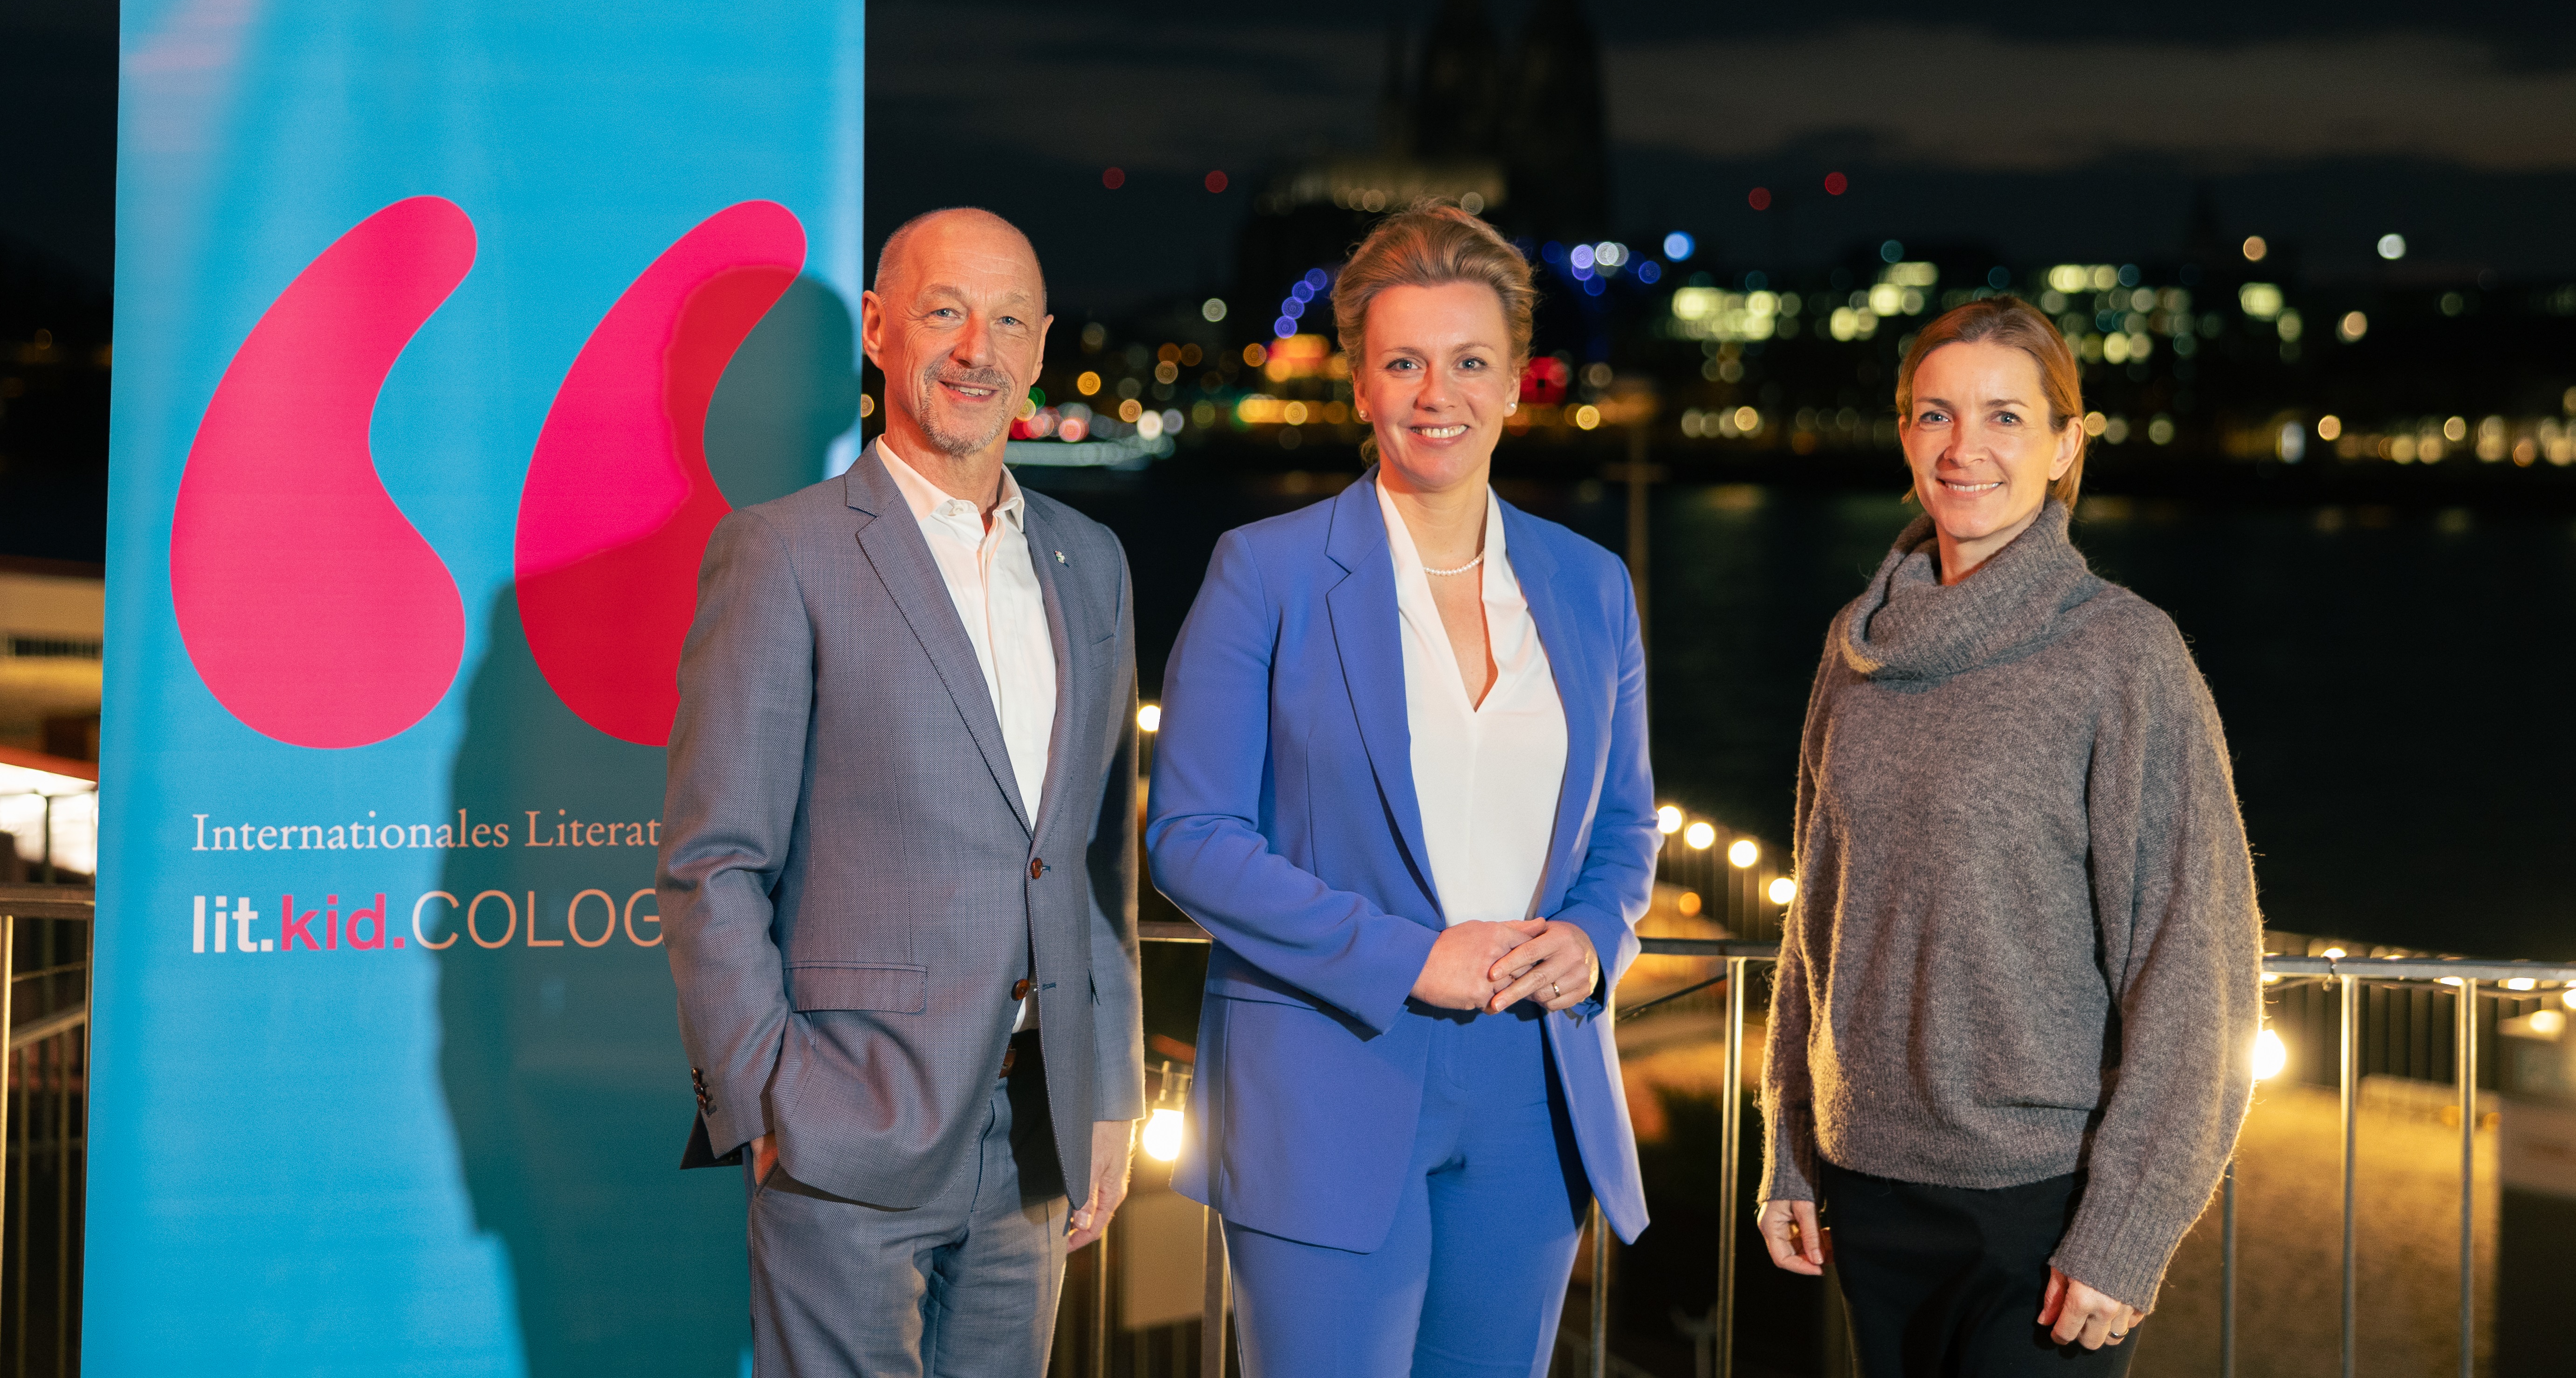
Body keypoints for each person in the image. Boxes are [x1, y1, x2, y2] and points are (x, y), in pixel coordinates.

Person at [1146, 203, 1661, 1378]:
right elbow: (1189, 836)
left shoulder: (1589, 587)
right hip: (1328, 1072)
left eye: (1470, 361)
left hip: (1532, 1086)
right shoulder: (1264, 572)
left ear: (1515, 383)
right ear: (1362, 388)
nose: (1439, 392)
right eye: (1405, 363)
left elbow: (1625, 827)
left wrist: (1592, 939)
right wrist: (1403, 957)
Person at [657, 208, 1143, 1378]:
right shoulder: (783, 551)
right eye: (944, 312)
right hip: (845, 1124)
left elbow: (1094, 859)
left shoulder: (1093, 561)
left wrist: (1111, 1091)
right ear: (879, 330)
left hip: (1039, 1127)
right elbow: (713, 857)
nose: (977, 347)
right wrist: (770, 1098)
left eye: (1008, 321)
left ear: (1038, 351)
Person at [1755, 296, 2261, 1374]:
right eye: (1935, 415)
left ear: (2065, 444)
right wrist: (1792, 1153)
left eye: (2004, 418)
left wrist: (2129, 1226)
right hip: (1868, 1191)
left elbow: (2192, 959)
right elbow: (1815, 927)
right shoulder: (1854, 658)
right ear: (1904, 435)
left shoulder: (2122, 655)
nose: (1965, 448)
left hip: (2040, 1206)